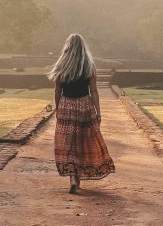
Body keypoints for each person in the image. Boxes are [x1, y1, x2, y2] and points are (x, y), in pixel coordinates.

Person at [48, 33, 115, 193]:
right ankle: (76, 175)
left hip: (67, 105)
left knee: (69, 141)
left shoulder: (61, 65)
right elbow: (94, 91)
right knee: (84, 141)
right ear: (82, 46)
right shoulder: (89, 65)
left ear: (68, 46)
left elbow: (58, 90)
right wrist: (98, 112)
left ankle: (73, 176)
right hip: (84, 105)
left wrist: (59, 109)